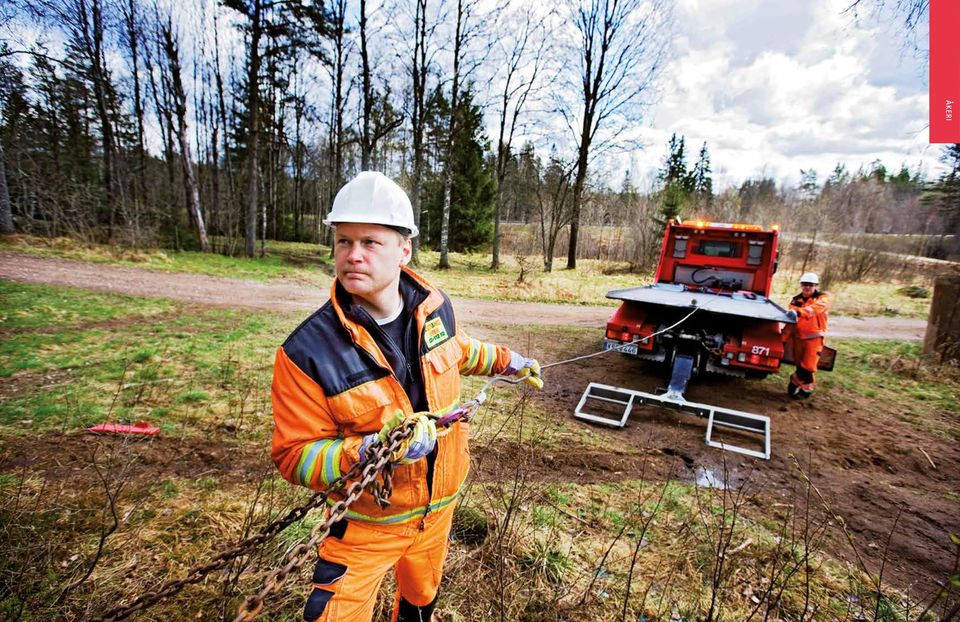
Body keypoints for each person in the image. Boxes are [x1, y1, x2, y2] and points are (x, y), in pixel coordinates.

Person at [270, 171, 543, 622]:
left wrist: (505, 360)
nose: (353, 255)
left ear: (404, 250)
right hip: (366, 525)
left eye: (370, 242)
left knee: (420, 601)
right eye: (343, 241)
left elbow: (454, 350)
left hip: (439, 509)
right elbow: (294, 457)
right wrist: (374, 449)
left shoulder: (434, 307)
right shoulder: (306, 352)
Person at [784, 272, 831, 399]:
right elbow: (791, 322)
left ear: (815, 285)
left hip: (814, 338)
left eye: (810, 285)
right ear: (801, 285)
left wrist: (800, 312)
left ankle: (806, 389)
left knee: (809, 365)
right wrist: (783, 339)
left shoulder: (822, 298)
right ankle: (795, 380)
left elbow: (816, 308)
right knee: (799, 364)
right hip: (798, 338)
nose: (807, 287)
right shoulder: (796, 300)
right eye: (805, 284)